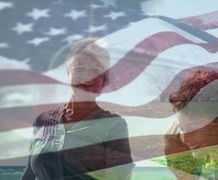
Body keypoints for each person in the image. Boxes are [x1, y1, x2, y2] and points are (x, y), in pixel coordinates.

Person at [21, 38, 134, 180]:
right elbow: (30, 174)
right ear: (68, 73)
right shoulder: (42, 120)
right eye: (79, 68)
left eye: (96, 70)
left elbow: (120, 177)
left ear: (103, 80)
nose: (88, 75)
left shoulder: (114, 125)